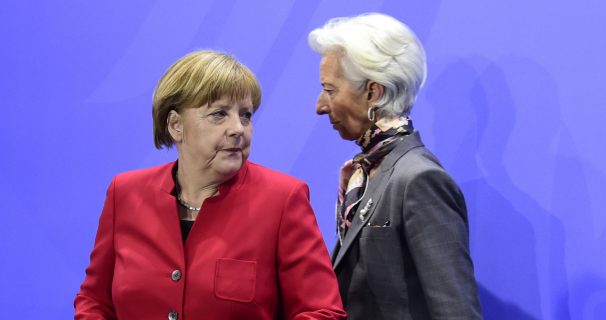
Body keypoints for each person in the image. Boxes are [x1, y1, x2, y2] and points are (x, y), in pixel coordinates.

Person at [74, 50, 346, 320]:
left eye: (246, 115)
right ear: (175, 125)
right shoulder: (125, 193)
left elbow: (322, 312)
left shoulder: (283, 200)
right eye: (219, 114)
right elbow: (94, 301)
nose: (238, 128)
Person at [308, 13, 483, 319]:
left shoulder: (419, 179)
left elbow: (455, 310)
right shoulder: (362, 174)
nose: (320, 105)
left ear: (373, 93)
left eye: (331, 90)